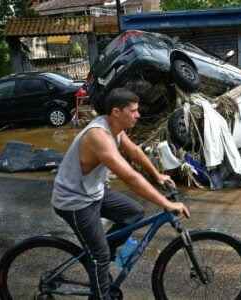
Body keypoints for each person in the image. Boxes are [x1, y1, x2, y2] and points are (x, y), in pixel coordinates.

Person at [52, 87, 190, 299]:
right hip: (74, 201)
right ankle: (100, 281)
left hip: (94, 192)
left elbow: (134, 151)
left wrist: (157, 176)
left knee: (133, 213)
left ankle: (99, 252)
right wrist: (167, 203)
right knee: (100, 255)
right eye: (133, 110)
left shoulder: (115, 129)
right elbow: (130, 178)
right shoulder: (99, 136)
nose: (138, 114)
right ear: (116, 112)